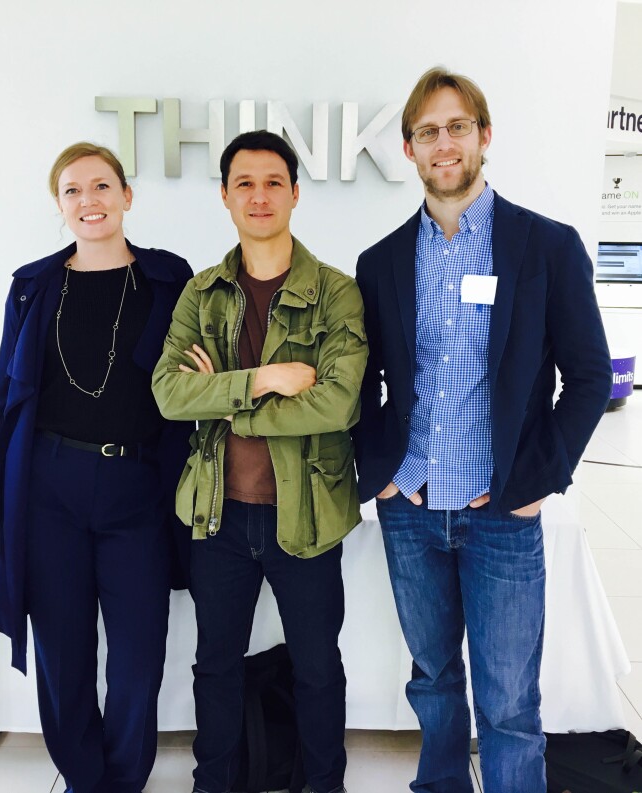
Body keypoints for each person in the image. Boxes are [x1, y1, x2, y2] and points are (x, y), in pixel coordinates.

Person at [354, 68, 612, 793]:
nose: (444, 142)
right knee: (433, 679)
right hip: (410, 509)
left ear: (484, 136)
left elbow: (588, 376)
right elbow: (360, 384)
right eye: (428, 131)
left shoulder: (548, 249)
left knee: (507, 702)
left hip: (502, 512)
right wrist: (378, 470)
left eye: (457, 126)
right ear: (408, 149)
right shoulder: (379, 264)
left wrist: (538, 478)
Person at [0, 142, 193, 793]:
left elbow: (198, 380)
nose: (88, 201)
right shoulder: (34, 286)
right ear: (58, 204)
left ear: (126, 196)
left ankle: (122, 778)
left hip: (138, 492)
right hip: (48, 492)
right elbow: (3, 398)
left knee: (139, 657)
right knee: (61, 656)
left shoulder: (169, 279)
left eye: (100, 186)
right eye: (72, 190)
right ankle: (84, 777)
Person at [152, 130, 367, 793]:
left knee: (317, 668)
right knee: (213, 663)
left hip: (306, 516)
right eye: (244, 183)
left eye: (273, 181)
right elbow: (168, 391)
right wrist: (264, 378)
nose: (259, 195)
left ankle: (323, 784)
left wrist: (225, 401)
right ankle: (213, 782)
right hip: (218, 514)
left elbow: (338, 403)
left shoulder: (336, 292)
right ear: (224, 196)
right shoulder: (202, 292)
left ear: (296, 193)